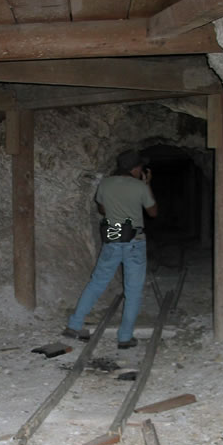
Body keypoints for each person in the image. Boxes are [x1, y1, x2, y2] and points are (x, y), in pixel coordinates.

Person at [63, 149, 158, 349]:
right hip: (134, 237)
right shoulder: (139, 186)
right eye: (139, 166)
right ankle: (124, 337)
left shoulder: (105, 183)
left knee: (97, 281)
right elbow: (153, 212)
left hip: (114, 233)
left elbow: (102, 209)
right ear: (135, 168)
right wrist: (147, 185)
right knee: (133, 290)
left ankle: (74, 325)